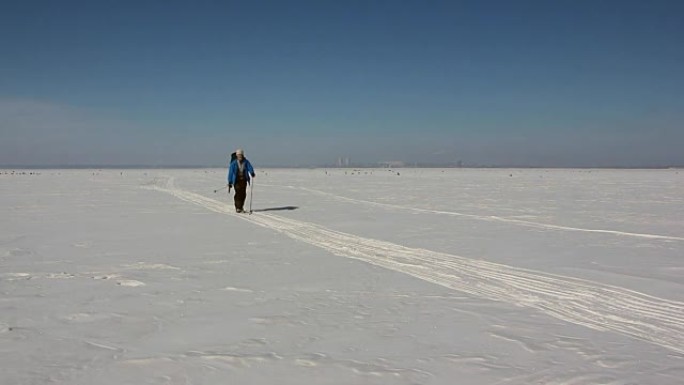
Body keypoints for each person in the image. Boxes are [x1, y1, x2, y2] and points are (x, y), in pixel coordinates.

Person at [227, 148, 255, 213]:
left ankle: (241, 207)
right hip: (236, 180)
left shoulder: (246, 161)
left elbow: (249, 167)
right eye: (239, 155)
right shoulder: (233, 163)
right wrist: (230, 181)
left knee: (243, 194)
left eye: (241, 155)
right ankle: (238, 207)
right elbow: (230, 173)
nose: (240, 156)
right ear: (237, 156)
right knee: (238, 193)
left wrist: (252, 172)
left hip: (244, 180)